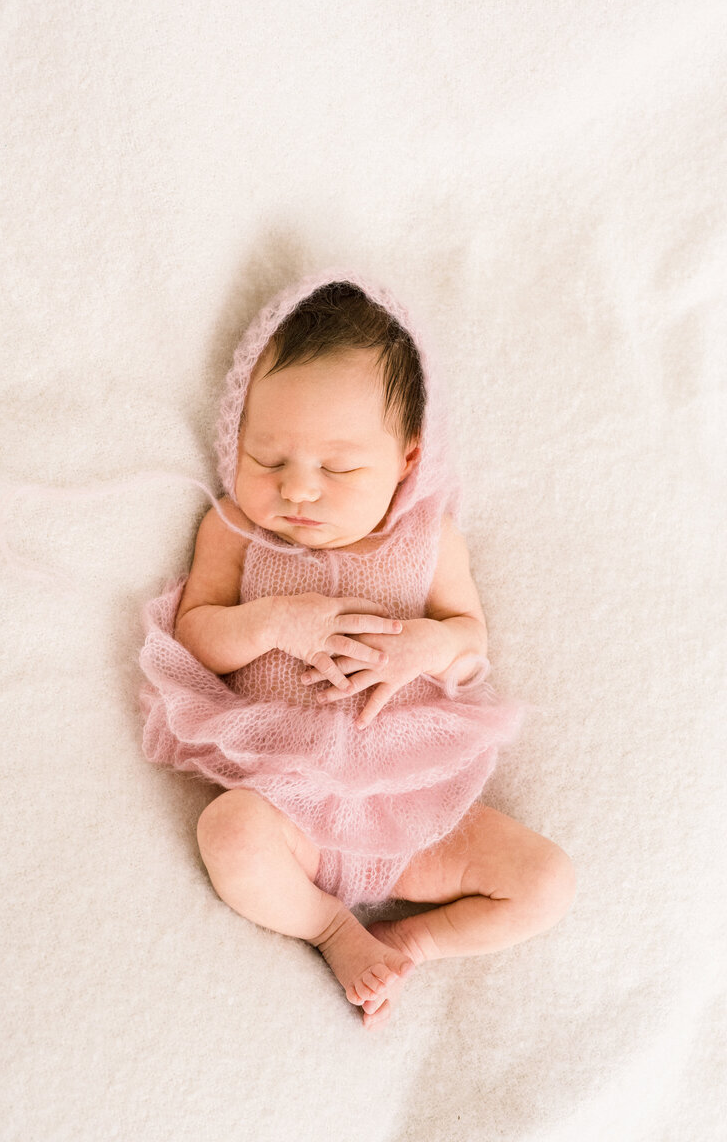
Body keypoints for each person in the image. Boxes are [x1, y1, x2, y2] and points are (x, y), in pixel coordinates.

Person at [138, 269, 576, 1031]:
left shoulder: (428, 542)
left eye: (338, 469)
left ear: (407, 460)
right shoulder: (235, 532)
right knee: (228, 835)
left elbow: (470, 643)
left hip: (417, 815)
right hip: (289, 806)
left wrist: (425, 646)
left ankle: (412, 941)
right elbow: (198, 635)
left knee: (546, 882)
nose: (297, 491)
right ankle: (332, 928)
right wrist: (271, 622)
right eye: (268, 458)